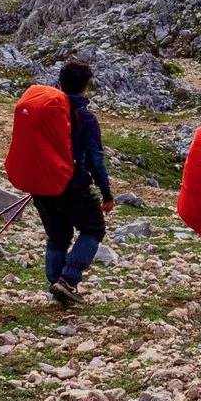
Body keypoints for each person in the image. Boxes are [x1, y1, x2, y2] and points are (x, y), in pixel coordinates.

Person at [39, 59, 113, 305]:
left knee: (58, 236)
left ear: (61, 83)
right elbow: (95, 159)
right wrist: (107, 193)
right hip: (71, 182)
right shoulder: (84, 117)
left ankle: (56, 285)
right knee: (94, 228)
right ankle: (68, 279)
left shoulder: (46, 112)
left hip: (41, 182)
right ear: (85, 87)